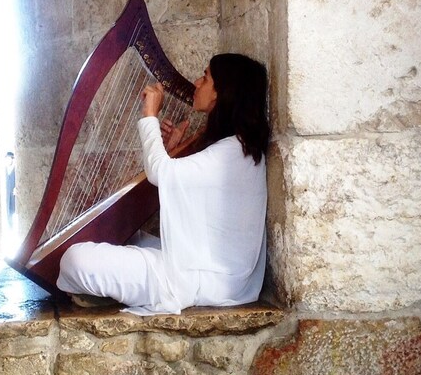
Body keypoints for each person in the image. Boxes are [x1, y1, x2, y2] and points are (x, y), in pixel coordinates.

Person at [56, 53, 270, 315]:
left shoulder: (231, 153)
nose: (196, 81)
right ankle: (116, 290)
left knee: (75, 259)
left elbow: (160, 173)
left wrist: (149, 115)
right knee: (122, 235)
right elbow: (176, 180)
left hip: (204, 281)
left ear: (220, 92)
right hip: (206, 270)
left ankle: (115, 291)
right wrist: (169, 152)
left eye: (205, 77)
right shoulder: (238, 148)